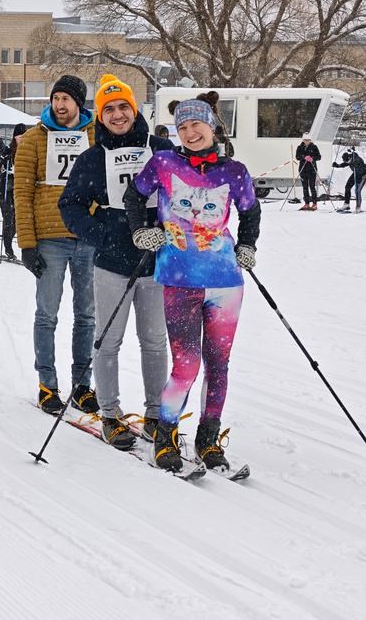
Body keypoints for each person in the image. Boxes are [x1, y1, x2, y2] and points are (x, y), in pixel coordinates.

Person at [124, 92, 261, 473]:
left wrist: (247, 246)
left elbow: (251, 212)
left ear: (212, 126)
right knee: (186, 365)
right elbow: (133, 198)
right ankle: (166, 437)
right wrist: (140, 232)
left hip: (225, 283)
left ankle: (208, 438)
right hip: (180, 278)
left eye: (195, 125)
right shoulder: (163, 162)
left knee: (219, 364)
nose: (189, 133)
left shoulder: (234, 171)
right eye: (182, 127)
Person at [59, 75, 173, 449]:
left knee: (155, 341)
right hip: (111, 262)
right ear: (100, 115)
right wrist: (102, 235)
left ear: (134, 108)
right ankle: (110, 414)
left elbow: (185, 192)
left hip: (157, 261)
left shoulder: (160, 149)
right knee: (108, 341)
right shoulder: (92, 157)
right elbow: (70, 205)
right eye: (110, 109)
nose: (118, 114)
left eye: (124, 106)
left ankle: (156, 415)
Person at [14, 75, 98, 415]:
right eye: (56, 98)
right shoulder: (33, 140)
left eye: (66, 98)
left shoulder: (96, 136)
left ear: (79, 102)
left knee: (87, 315)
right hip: (50, 239)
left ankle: (82, 384)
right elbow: (21, 193)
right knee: (47, 314)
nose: (60, 105)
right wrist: (27, 243)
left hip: (89, 238)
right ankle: (47, 384)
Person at [0, 123, 25, 259]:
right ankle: (8, 248)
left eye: (24, 136)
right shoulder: (8, 149)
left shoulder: (28, 149)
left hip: (22, 188)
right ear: (14, 138)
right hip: (7, 188)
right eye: (20, 137)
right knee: (9, 219)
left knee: (19, 220)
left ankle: (11, 244)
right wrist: (2, 158)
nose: (22, 139)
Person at [333, 148, 366, 212]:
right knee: (347, 187)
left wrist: (359, 178)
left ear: (350, 157)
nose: (347, 162)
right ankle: (346, 204)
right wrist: (337, 165)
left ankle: (358, 207)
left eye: (347, 161)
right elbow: (345, 164)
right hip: (355, 173)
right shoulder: (349, 159)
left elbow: (361, 169)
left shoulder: (357, 159)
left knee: (357, 190)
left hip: (363, 174)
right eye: (346, 161)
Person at [295, 133, 321, 211]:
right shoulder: (300, 147)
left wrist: (312, 158)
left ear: (310, 140)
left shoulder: (314, 147)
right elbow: (297, 157)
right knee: (305, 187)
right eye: (305, 140)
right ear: (303, 140)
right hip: (303, 169)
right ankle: (306, 203)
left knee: (312, 187)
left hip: (312, 170)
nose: (307, 142)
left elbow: (319, 157)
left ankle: (314, 203)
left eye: (308, 140)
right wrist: (304, 157)